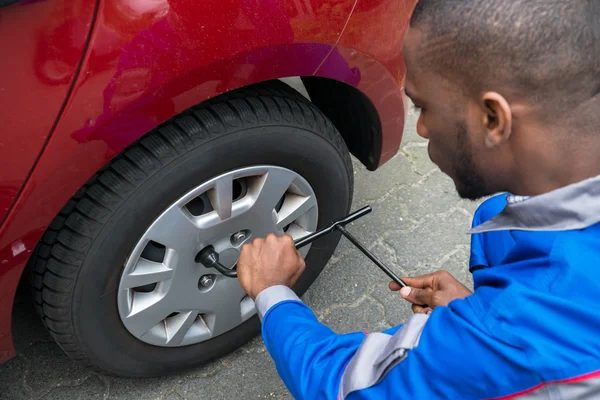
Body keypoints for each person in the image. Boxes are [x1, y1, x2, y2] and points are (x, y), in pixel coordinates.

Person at [236, 0, 600, 398]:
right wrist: (475, 304)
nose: (421, 129)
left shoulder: (518, 333)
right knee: (495, 220)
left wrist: (272, 292)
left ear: (493, 119)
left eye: (423, 107)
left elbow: (337, 382)